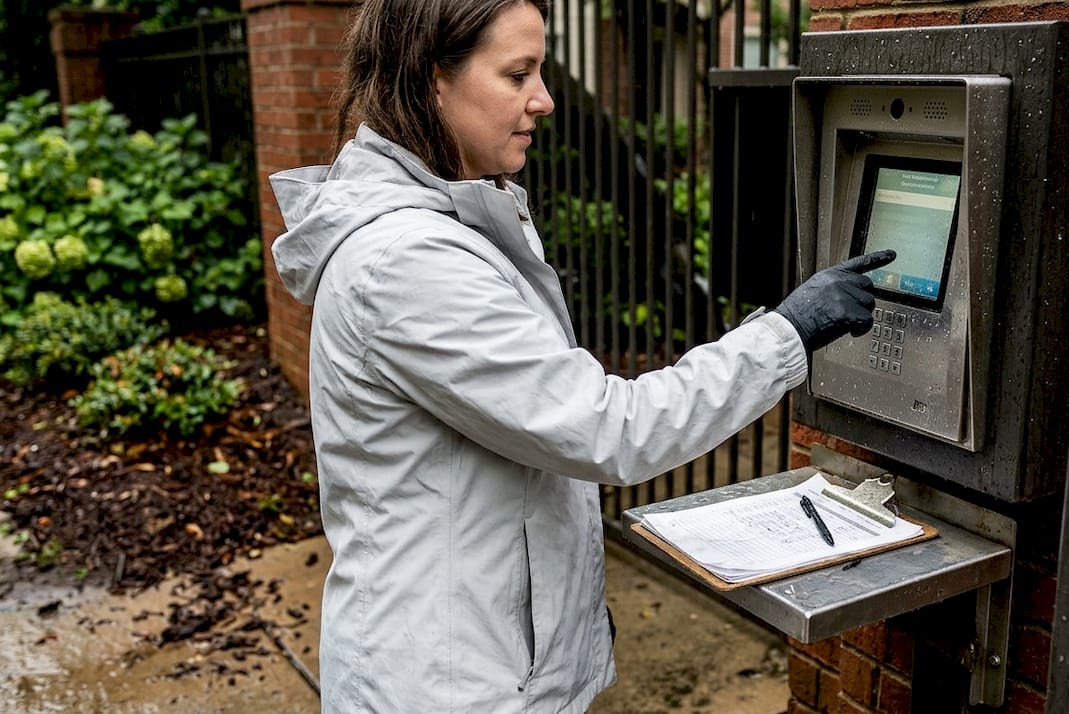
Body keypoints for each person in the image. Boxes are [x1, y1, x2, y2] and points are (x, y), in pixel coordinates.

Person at [268, 0, 895, 711]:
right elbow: (606, 427)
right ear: (430, 79)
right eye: (517, 73)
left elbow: (520, 452)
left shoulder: (452, 221)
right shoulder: (410, 261)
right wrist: (788, 333)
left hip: (478, 649)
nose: (545, 98)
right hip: (452, 683)